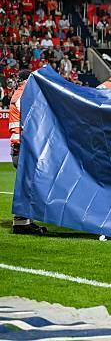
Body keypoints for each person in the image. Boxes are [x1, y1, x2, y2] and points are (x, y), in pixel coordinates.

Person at [9, 70, 47, 235]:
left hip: (19, 147)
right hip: (23, 148)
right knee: (27, 186)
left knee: (28, 185)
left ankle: (25, 222)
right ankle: (21, 224)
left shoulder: (18, 94)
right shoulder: (24, 96)